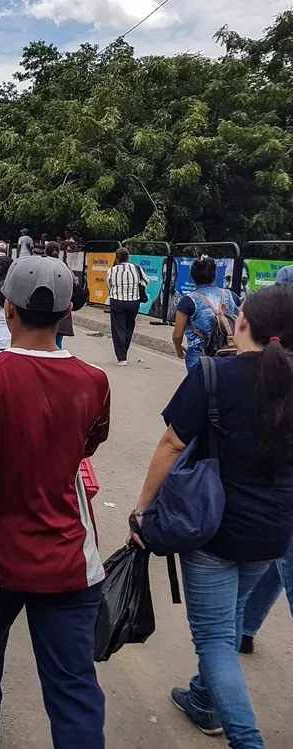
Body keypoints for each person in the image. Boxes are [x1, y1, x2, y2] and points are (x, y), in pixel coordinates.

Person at [0, 255, 111, 749]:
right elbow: (88, 444)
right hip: (71, 561)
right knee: (74, 688)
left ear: (6, 307)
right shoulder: (93, 379)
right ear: (65, 314)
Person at [132, 283, 293, 746]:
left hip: (211, 529)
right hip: (272, 532)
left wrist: (142, 510)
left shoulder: (213, 375)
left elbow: (172, 445)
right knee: (234, 613)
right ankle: (204, 700)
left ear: (241, 323)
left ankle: (248, 741)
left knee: (216, 640)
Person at [172, 256, 241, 370]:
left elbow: (177, 334)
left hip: (199, 354)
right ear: (215, 275)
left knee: (200, 385)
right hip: (227, 352)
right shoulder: (230, 295)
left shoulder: (188, 301)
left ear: (191, 277)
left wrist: (178, 348)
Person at [106, 247, 151, 366]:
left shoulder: (112, 270)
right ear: (128, 257)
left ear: (116, 258)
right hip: (133, 302)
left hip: (117, 301)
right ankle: (124, 350)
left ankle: (121, 358)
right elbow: (147, 281)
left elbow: (109, 286)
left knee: (118, 328)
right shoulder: (136, 268)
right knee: (129, 327)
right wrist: (138, 288)